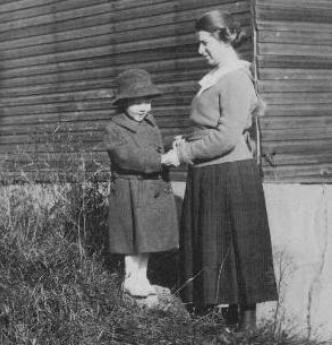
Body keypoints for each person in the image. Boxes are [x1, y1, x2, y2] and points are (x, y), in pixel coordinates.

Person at [162, 10, 278, 331]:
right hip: (210, 172)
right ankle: (217, 319)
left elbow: (226, 137)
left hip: (228, 173)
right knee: (215, 244)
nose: (200, 51)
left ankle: (246, 324)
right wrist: (186, 140)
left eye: (204, 43)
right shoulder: (217, 78)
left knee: (239, 244)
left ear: (223, 38)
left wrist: (183, 153)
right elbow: (209, 125)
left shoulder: (235, 78)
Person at [104, 69, 179, 297]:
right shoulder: (114, 128)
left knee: (146, 240)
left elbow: (152, 147)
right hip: (131, 190)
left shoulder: (149, 123)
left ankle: (142, 276)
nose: (143, 107)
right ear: (123, 102)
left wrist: (171, 145)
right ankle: (130, 278)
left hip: (150, 190)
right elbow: (126, 157)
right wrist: (161, 160)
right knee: (132, 240)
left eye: (147, 101)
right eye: (136, 102)